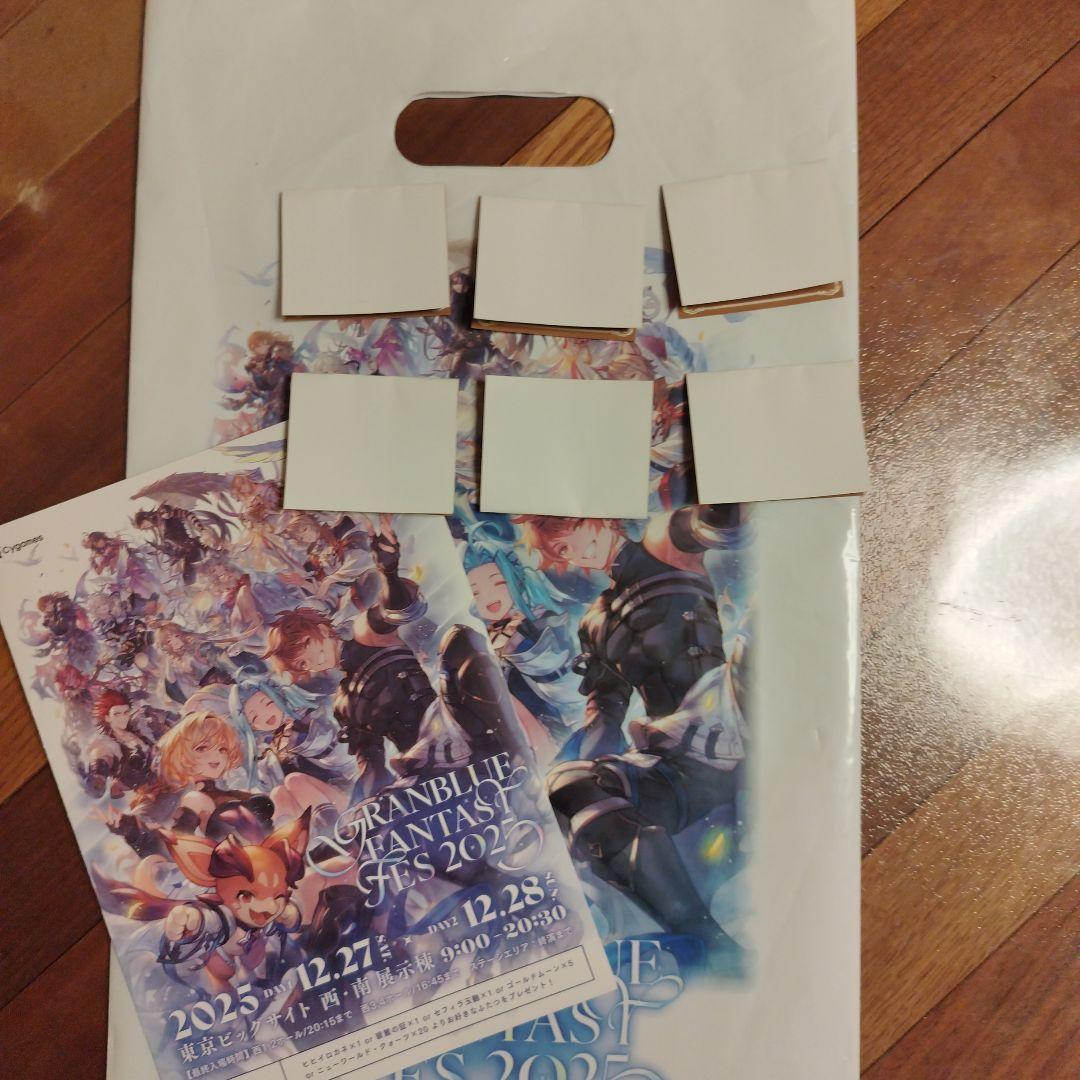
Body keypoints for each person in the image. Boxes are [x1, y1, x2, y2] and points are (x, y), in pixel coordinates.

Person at [513, 505, 748, 952]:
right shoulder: (595, 622)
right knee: (568, 783)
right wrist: (562, 781)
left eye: (574, 531)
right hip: (679, 758)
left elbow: (706, 525)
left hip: (736, 708)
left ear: (601, 517)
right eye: (562, 548)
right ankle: (708, 944)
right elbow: (605, 713)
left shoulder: (662, 547)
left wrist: (722, 514)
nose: (576, 551)